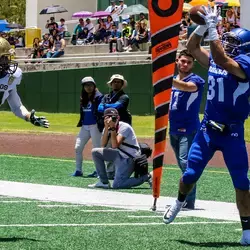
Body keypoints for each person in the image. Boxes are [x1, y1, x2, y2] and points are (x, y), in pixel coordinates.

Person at [163, 5, 250, 246]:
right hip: (207, 130)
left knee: (242, 183)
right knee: (190, 174)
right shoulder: (216, 57)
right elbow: (192, 48)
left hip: (232, 132)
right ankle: (179, 201)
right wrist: (201, 25)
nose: (228, 43)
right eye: (227, 40)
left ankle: (247, 230)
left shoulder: (245, 64)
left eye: (233, 42)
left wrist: (212, 28)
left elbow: (222, 59)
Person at [169, 49, 205, 210]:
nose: (185, 64)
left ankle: (188, 200)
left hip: (189, 128)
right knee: (181, 164)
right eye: (182, 61)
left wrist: (163, 79)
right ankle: (186, 198)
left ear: (193, 64)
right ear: (177, 61)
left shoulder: (196, 80)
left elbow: (187, 87)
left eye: (189, 62)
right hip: (173, 128)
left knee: (186, 163)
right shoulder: (174, 80)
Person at [88, 108, 151, 189]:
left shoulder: (125, 127)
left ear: (118, 118)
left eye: (113, 117)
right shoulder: (107, 127)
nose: (111, 119)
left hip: (129, 158)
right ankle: (103, 182)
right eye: (108, 117)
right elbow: (103, 145)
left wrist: (113, 128)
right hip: (118, 155)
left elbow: (115, 145)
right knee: (95, 152)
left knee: (117, 185)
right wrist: (107, 128)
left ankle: (147, 176)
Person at [0, 38, 49, 128]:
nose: (7, 60)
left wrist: (29, 116)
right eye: (3, 57)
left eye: (7, 57)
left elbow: (16, 106)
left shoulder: (12, 76)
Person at [98, 74, 132, 179]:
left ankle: (120, 171)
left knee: (120, 148)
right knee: (108, 148)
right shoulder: (106, 96)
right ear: (111, 84)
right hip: (109, 125)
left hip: (121, 126)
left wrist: (106, 106)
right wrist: (106, 107)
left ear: (122, 84)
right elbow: (99, 108)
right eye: (114, 81)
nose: (116, 83)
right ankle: (110, 172)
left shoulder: (124, 97)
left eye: (118, 82)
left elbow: (117, 106)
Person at [72, 77, 103, 177]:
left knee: (96, 150)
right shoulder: (83, 97)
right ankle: (78, 170)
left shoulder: (99, 97)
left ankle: (99, 171)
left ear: (94, 86)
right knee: (78, 147)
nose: (88, 87)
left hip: (95, 126)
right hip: (85, 126)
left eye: (90, 85)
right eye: (86, 85)